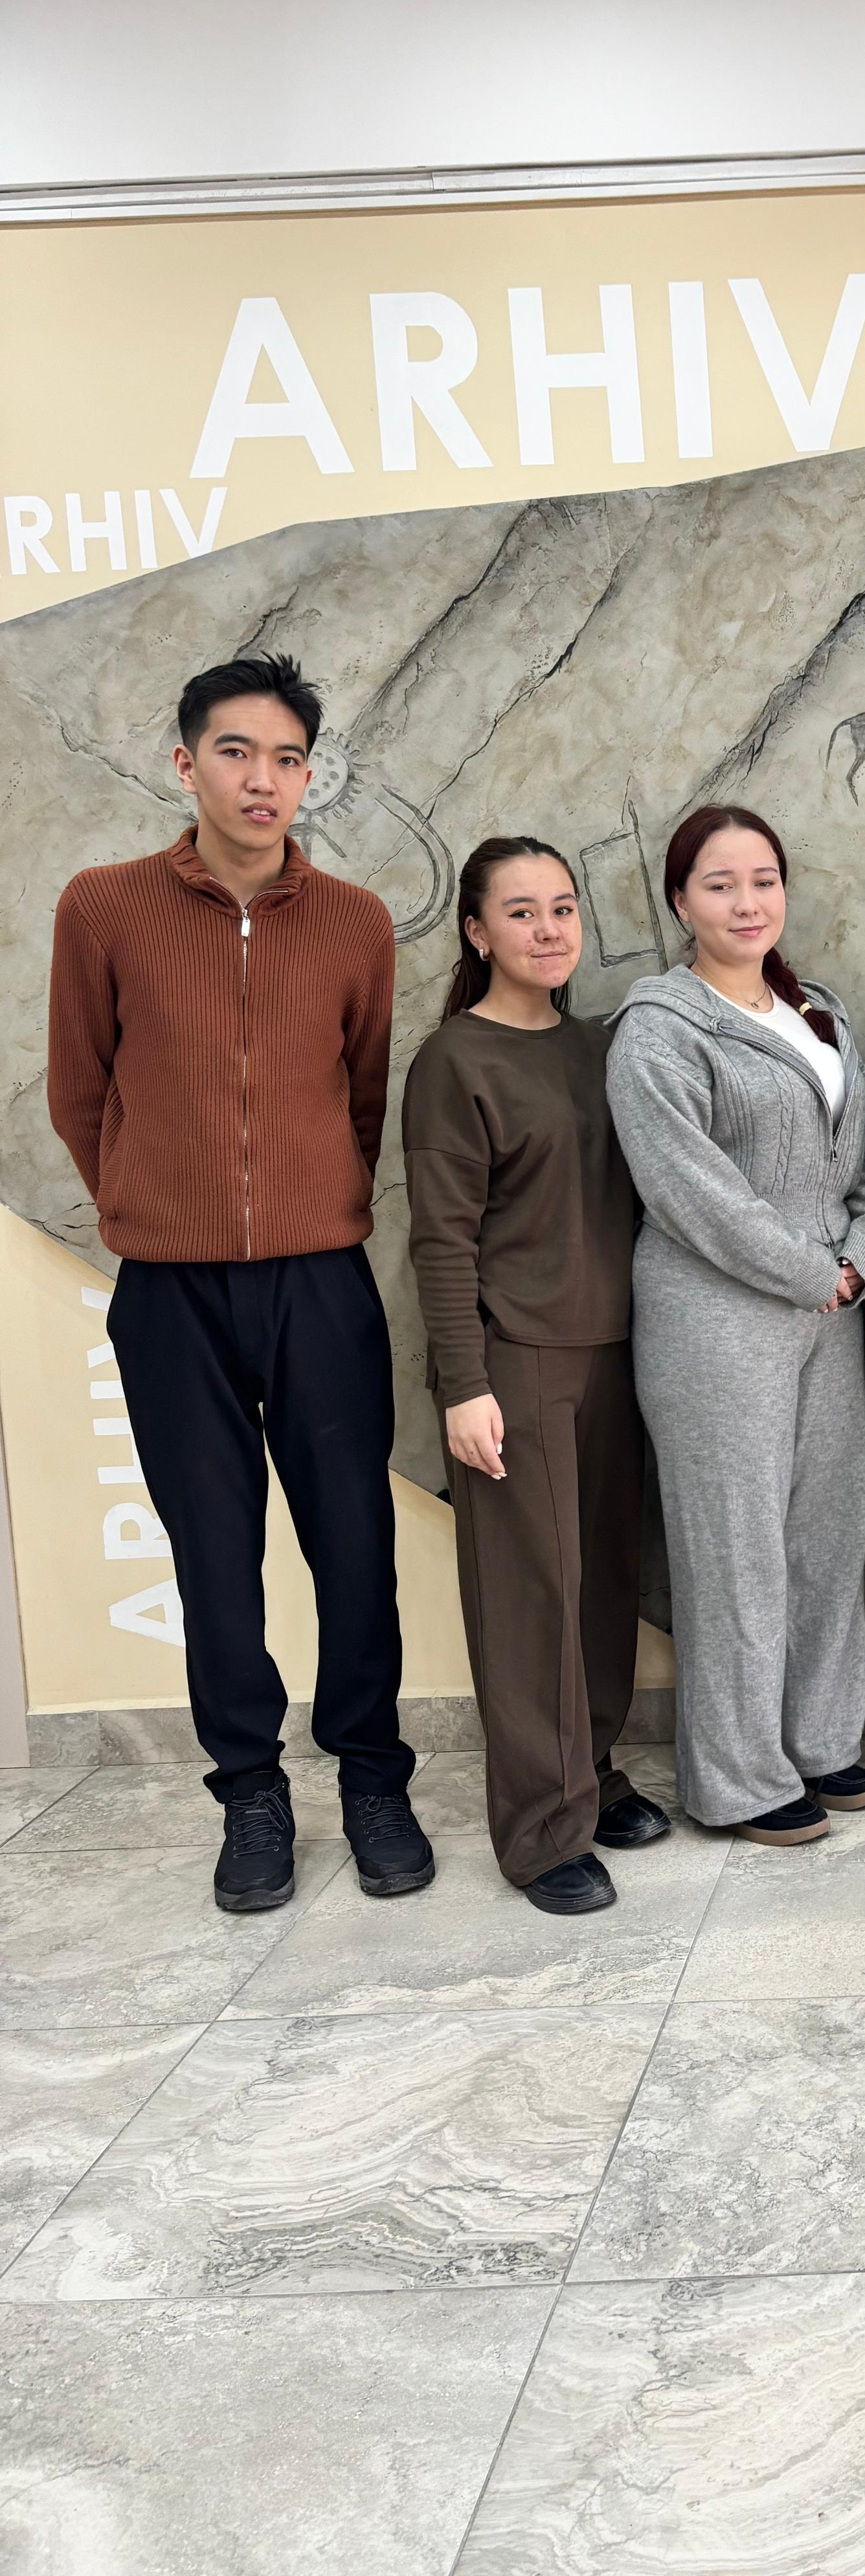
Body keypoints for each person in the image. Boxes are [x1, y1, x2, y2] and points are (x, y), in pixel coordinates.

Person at [46, 654, 433, 1911]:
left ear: (309, 777)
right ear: (185, 762)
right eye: (234, 752)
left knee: (355, 1546)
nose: (261, 780)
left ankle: (375, 1781)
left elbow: (362, 1094)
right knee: (213, 1555)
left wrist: (314, 1202)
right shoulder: (102, 908)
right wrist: (151, 1208)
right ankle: (251, 1797)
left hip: (320, 1282)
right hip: (169, 1294)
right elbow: (78, 1088)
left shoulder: (357, 922)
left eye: (285, 760)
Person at [605, 806, 865, 1847]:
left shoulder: (823, 1016)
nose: (746, 902)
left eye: (763, 879)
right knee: (734, 1550)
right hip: (715, 1321)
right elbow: (689, 1190)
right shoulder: (658, 1027)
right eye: (719, 884)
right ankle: (734, 1779)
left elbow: (863, 1170)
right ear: (681, 901)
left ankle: (819, 1742)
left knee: (826, 1534)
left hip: (831, 1311)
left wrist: (859, 1260)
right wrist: (810, 1270)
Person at [402, 839, 664, 1914]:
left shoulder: (606, 1045)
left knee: (602, 1583)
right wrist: (464, 1384)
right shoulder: (455, 1061)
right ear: (476, 932)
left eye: (563, 908)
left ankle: (590, 1777)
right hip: (516, 1361)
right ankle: (540, 1830)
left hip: (622, 1354)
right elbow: (442, 1240)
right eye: (522, 912)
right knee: (531, 1600)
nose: (551, 929)